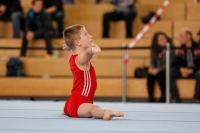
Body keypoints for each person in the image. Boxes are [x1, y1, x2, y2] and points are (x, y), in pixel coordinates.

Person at [62, 24, 124, 120]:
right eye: (86, 34)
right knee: (94, 109)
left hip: (71, 101)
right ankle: (105, 113)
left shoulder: (73, 56)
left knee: (88, 107)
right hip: (79, 103)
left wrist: (71, 46)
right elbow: (86, 54)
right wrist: (91, 49)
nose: (90, 36)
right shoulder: (80, 59)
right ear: (78, 42)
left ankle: (66, 110)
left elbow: (79, 50)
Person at [170, 27, 200, 103]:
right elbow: (177, 62)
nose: (179, 38)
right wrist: (181, 69)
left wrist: (191, 70)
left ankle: (197, 97)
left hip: (195, 70)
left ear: (189, 36)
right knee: (170, 73)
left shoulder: (198, 47)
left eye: (181, 36)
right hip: (184, 70)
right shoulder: (181, 48)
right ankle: (175, 97)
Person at [147, 32, 176, 103]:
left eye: (165, 38)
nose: (164, 40)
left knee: (160, 75)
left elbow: (169, 63)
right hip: (157, 68)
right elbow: (153, 61)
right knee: (150, 75)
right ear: (156, 41)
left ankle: (164, 96)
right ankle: (151, 97)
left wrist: (158, 69)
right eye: (161, 39)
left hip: (167, 68)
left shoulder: (170, 48)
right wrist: (151, 68)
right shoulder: (154, 49)